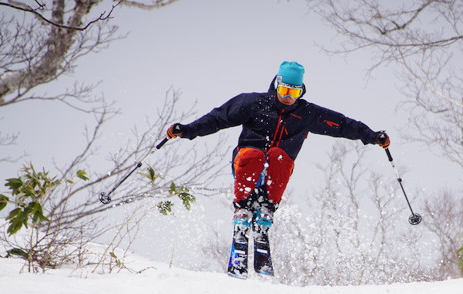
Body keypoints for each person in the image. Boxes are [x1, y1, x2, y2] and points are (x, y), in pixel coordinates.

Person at [166, 61, 390, 278]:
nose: (287, 97)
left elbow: (342, 124)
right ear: (275, 85)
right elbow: (217, 118)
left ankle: (266, 211)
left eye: (293, 93)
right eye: (284, 90)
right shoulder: (252, 103)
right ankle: (242, 209)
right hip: (246, 165)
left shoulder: (307, 113)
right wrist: (186, 130)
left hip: (277, 172)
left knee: (278, 155)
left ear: (301, 93)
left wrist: (372, 136)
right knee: (255, 154)